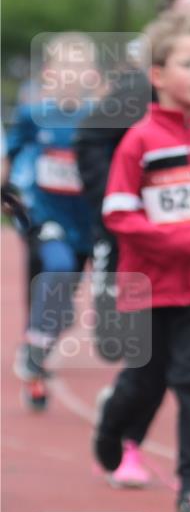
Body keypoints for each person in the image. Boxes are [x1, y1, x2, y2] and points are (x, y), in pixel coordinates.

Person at [75, 0, 190, 487]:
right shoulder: (133, 104)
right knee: (143, 373)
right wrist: (124, 206)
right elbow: (95, 150)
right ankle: (118, 426)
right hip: (139, 254)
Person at [6, 32, 98, 410]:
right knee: (53, 273)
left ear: (92, 75)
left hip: (87, 223)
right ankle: (35, 362)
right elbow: (10, 154)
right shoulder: (32, 114)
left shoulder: (101, 118)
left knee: (61, 306)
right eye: (65, 67)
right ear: (49, 73)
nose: (72, 75)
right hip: (43, 216)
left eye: (79, 67)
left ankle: (38, 350)